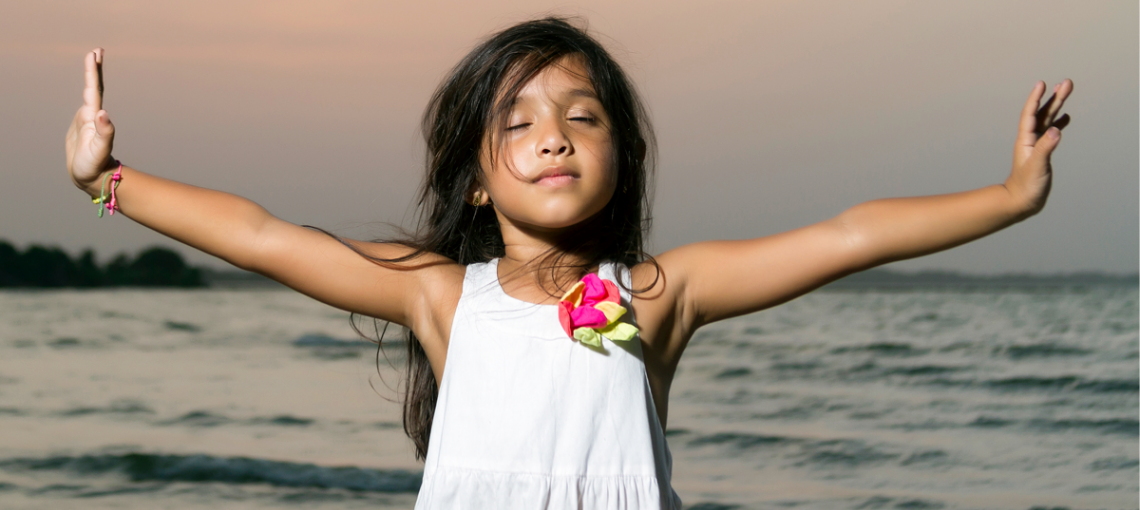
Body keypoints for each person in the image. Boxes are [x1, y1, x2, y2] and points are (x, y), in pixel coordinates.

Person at [64, 17, 1071, 510]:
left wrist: (1012, 198)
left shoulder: (647, 297)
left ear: (620, 158)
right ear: (477, 182)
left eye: (582, 117)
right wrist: (108, 182)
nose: (554, 136)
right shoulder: (442, 297)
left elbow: (849, 236)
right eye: (521, 122)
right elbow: (266, 237)